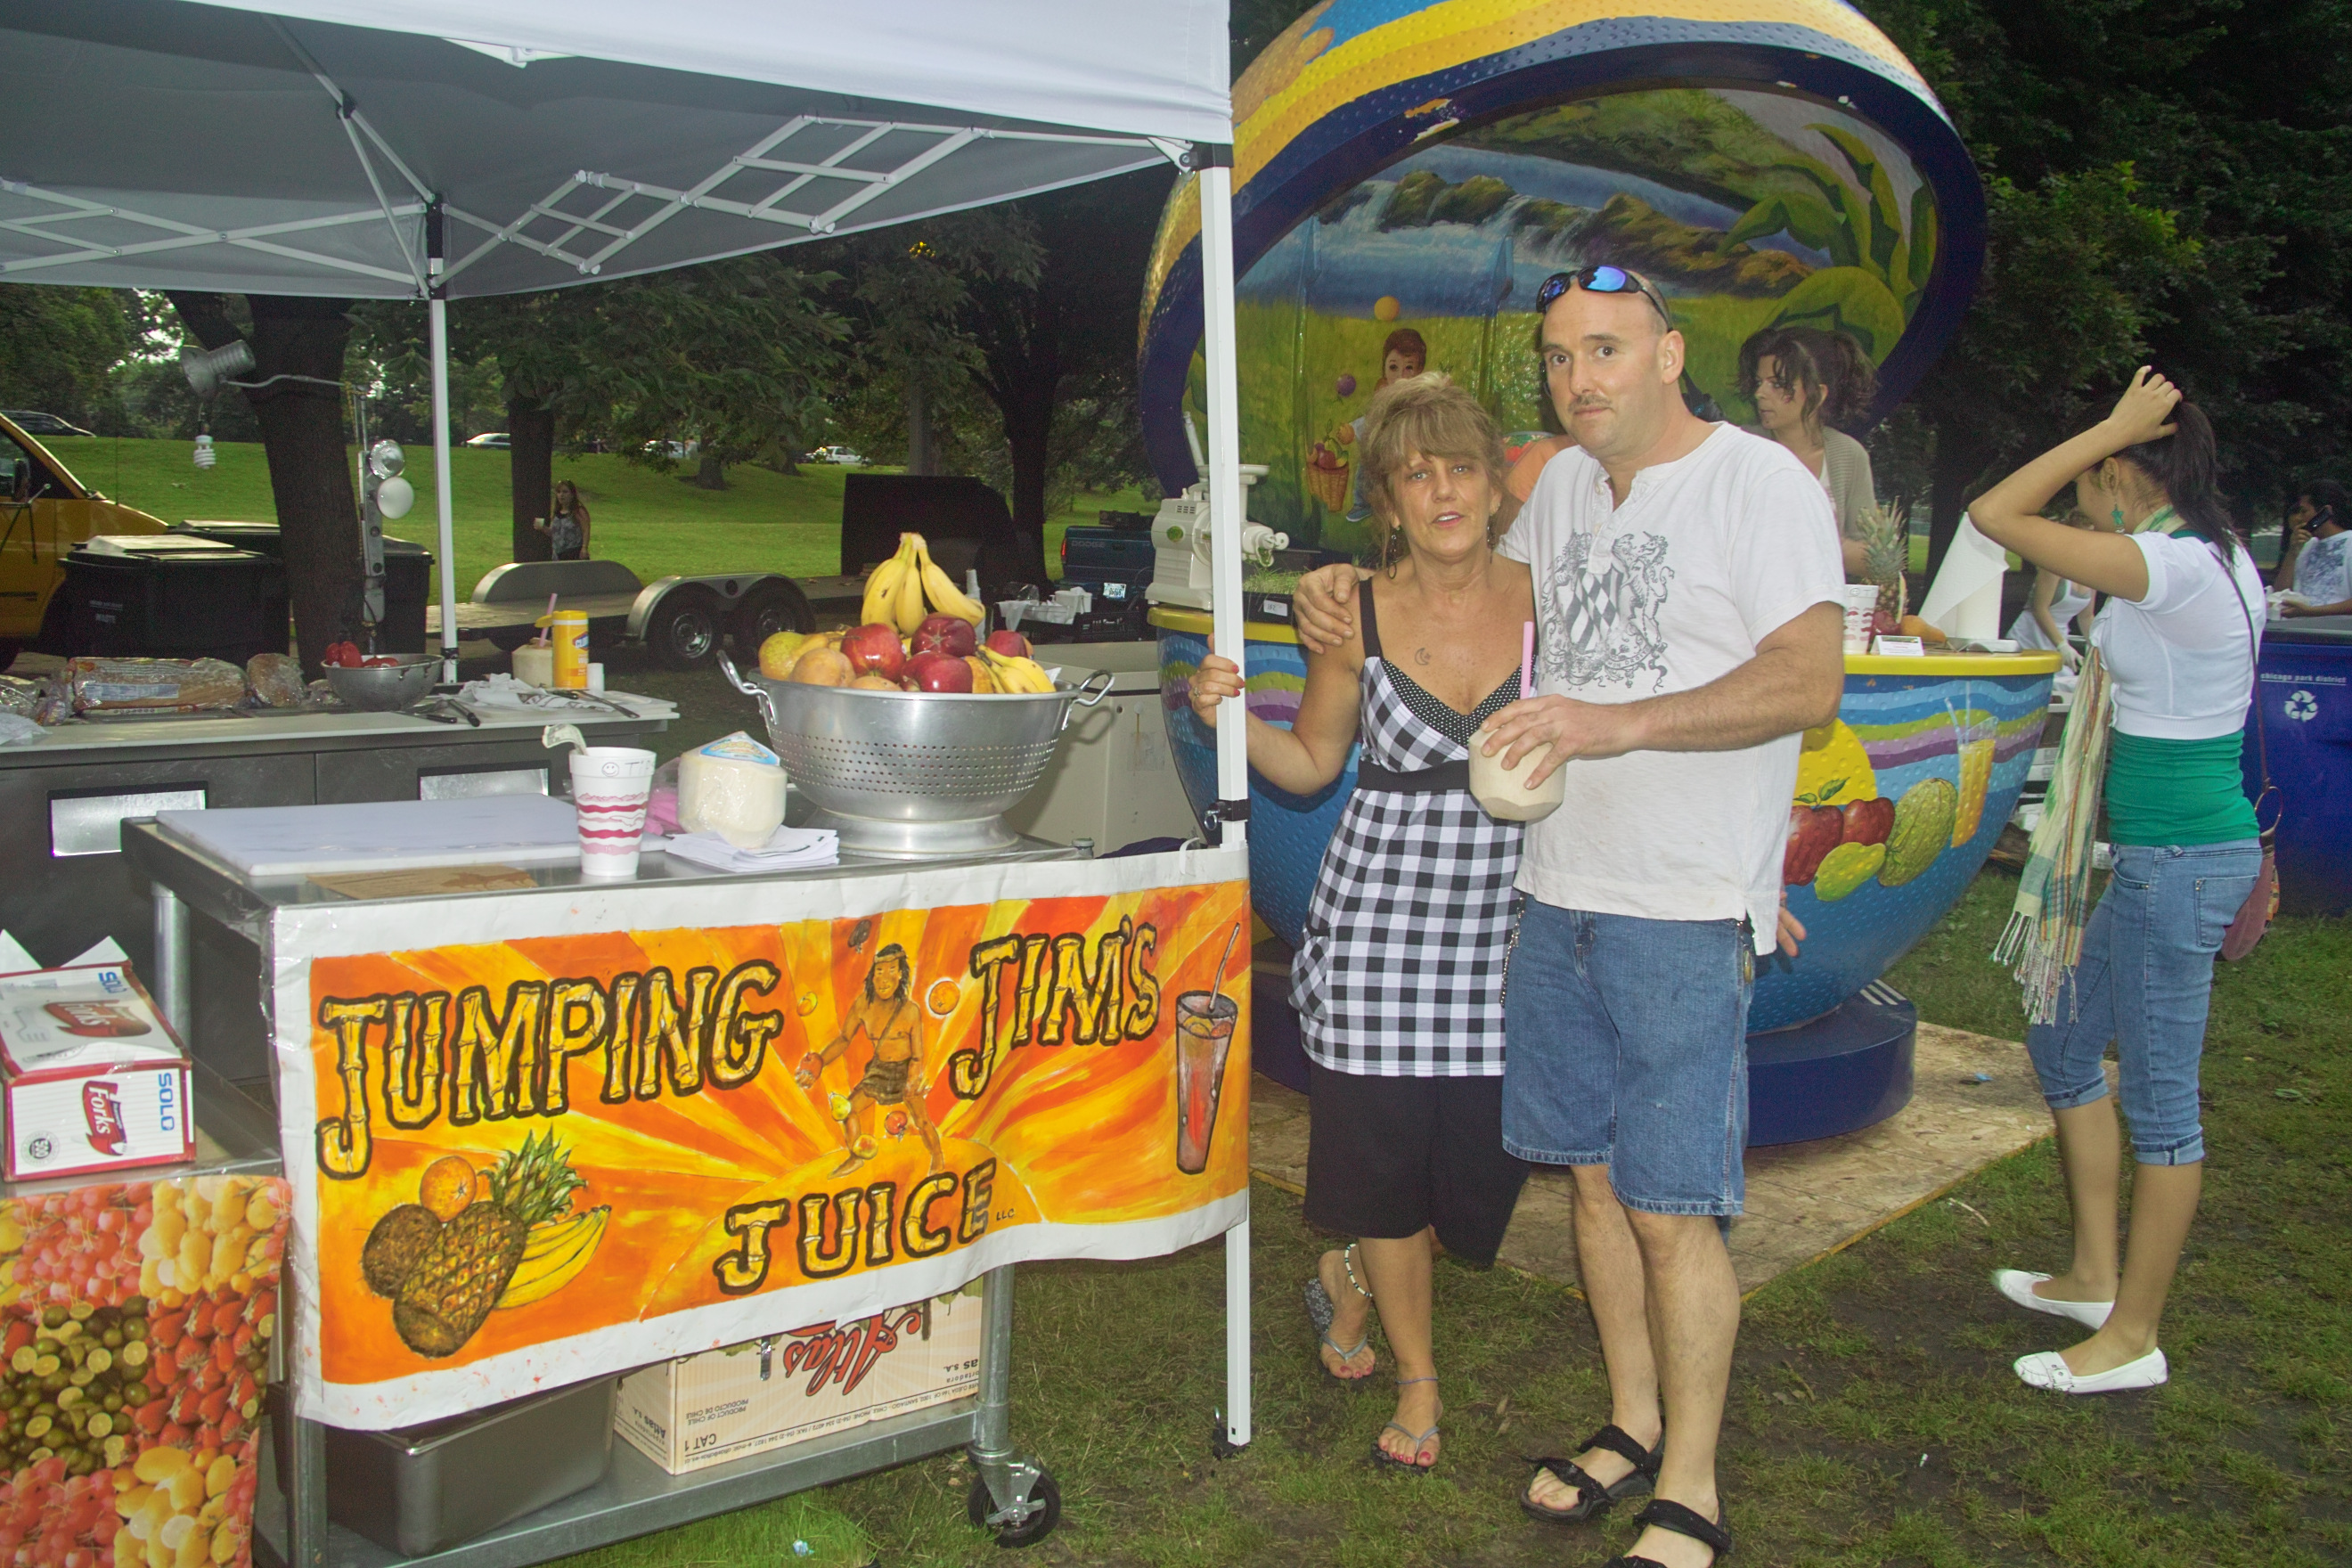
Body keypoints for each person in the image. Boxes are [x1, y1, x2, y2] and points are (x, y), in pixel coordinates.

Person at [1294, 265, 1844, 1568]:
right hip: (1551, 898)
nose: (1579, 377)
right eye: (1557, 356)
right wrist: (1335, 584)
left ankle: (1691, 1489)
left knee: (1671, 1209)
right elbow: (1449, 550)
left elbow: (1809, 681)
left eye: (1605, 348)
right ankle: (1633, 1424)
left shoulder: (1760, 482)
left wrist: (1630, 739)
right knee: (1594, 1194)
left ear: (1670, 353)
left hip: (1674, 907)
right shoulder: (1566, 499)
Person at [1189, 372, 1531, 1476]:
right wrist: (1226, 716)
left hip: (1509, 931)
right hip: (1378, 925)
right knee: (1385, 1165)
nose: (1444, 491)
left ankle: (1347, 1273)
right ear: (1386, 502)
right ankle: (1418, 1375)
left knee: (1478, 1177)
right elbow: (1311, 764)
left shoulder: (1551, 602)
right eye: (1415, 475)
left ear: (1496, 484)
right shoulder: (1354, 617)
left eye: (1461, 467)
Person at [1969, 370, 2263, 1394]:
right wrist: (2115, 437)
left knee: (2164, 1105)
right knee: (2061, 1039)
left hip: (2180, 864)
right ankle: (2096, 1277)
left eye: (2091, 471)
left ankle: (2134, 1336)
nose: (2077, 491)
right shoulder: (2212, 554)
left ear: (2121, 470)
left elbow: (1995, 513)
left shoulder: (2171, 565)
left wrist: (2107, 426)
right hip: (2159, 862)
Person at [1738, 325, 1879, 579]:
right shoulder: (1739, 446)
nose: (1760, 394)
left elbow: (1872, 559)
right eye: (1759, 382)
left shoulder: (1849, 455)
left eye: (1777, 384)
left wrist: (1813, 539)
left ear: (1818, 393)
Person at [795, 943, 946, 1177]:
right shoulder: (862, 1005)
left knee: (922, 1120)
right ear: (872, 976)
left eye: (891, 970)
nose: (884, 978)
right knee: (849, 1110)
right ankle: (856, 1158)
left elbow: (917, 1055)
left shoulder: (910, 1011)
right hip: (879, 1070)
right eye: (879, 971)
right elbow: (844, 1039)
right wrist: (820, 1061)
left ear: (900, 974)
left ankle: (937, 1157)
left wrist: (913, 1078)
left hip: (905, 1070)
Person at [1344, 329, 1429, 524]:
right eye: (1393, 368)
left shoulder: (1420, 397)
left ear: (1419, 371)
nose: (1401, 376)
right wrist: (1353, 429)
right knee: (1367, 463)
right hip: (1383, 450)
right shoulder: (1384, 396)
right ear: (1384, 369)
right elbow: (1373, 419)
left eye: (1409, 368)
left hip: (1409, 452)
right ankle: (1363, 502)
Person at [2007, 512, 2109, 670]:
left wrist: (2097, 647)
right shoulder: (2053, 564)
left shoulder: (2092, 571)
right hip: (2030, 636)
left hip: (2060, 636)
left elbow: (2086, 616)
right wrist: (2062, 645)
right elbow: (2040, 609)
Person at [2275, 478, 2352, 617]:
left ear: (2325, 512)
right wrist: (2292, 554)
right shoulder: (2306, 545)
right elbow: (2279, 594)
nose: (2299, 518)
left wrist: (2309, 612)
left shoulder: (2349, 542)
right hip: (2297, 626)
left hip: (2335, 628)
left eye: (2304, 511)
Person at [535, 478, 592, 560]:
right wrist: (543, 528)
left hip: (574, 552)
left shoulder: (578, 511)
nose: (561, 495)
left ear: (572, 495)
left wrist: (584, 548)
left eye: (565, 492)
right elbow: (554, 533)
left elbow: (586, 530)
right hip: (558, 554)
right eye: (559, 492)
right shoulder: (556, 513)